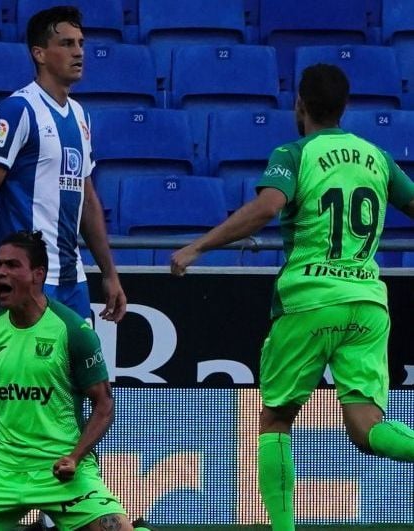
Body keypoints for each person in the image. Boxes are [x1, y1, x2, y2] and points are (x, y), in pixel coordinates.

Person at [171, 63, 414, 530]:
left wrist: (198, 246)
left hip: (308, 300)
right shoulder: (378, 157)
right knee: (366, 429)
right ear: (346, 108)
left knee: (276, 420)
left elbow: (266, 207)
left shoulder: (293, 153)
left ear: (299, 104)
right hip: (367, 304)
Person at [0, 6, 127, 529]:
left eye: (82, 42)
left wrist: (109, 271)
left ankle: (64, 499)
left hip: (73, 280)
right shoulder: (18, 110)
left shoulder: (80, 116)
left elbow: (85, 196)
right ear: (40, 52)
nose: (79, 51)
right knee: (17, 385)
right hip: (31, 279)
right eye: (67, 43)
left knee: (78, 395)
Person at [0, 230, 148, 531]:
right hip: (3, 472)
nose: (1, 272)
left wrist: (75, 457)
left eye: (12, 266)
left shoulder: (72, 331)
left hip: (60, 470)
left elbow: (104, 405)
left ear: (38, 274)